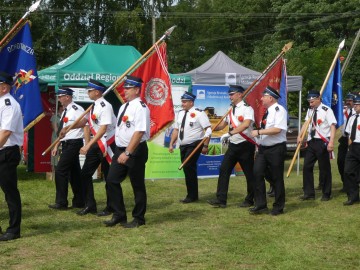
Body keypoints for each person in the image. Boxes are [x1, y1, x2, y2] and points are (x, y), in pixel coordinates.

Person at [60, 79, 116, 216]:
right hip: (96, 144)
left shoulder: (105, 106)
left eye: (90, 90)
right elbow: (86, 122)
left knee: (109, 178)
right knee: (85, 174)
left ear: (97, 92)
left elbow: (103, 129)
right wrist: (68, 127)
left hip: (107, 144)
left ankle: (111, 207)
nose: (88, 92)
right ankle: (90, 205)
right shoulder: (94, 106)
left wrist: (88, 145)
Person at [104, 75, 150, 228]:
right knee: (111, 180)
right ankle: (119, 214)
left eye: (128, 88)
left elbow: (139, 132)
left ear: (137, 90)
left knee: (137, 184)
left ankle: (138, 218)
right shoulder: (124, 106)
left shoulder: (141, 107)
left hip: (135, 150)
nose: (125, 91)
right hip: (121, 149)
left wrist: (128, 153)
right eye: (125, 88)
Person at [207, 85, 256, 208]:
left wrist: (230, 133)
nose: (230, 97)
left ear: (240, 94)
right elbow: (223, 124)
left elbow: (245, 124)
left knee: (249, 173)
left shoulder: (247, 109)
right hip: (233, 145)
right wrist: (211, 128)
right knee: (224, 170)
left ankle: (250, 199)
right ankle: (221, 199)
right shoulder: (230, 109)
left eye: (232, 94)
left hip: (245, 144)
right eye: (229, 94)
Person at [249, 86, 287, 215]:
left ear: (270, 98)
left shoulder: (279, 110)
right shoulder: (267, 111)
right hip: (263, 148)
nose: (261, 98)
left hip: (276, 148)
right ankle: (260, 204)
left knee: (277, 177)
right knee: (257, 173)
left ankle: (278, 206)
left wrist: (258, 131)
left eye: (263, 96)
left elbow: (277, 129)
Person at [168, 91, 211, 203]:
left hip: (195, 144)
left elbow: (208, 130)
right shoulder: (180, 113)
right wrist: (171, 143)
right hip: (183, 145)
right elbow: (176, 129)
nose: (183, 104)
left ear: (191, 102)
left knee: (188, 166)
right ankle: (192, 195)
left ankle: (191, 196)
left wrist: (205, 145)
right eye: (182, 101)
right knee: (188, 170)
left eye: (185, 102)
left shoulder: (199, 113)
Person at [48, 88, 85, 210]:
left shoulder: (76, 109)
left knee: (60, 170)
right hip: (66, 143)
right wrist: (56, 144)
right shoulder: (66, 111)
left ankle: (61, 202)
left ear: (68, 97)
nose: (59, 99)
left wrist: (70, 127)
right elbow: (61, 132)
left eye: (61, 96)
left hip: (74, 143)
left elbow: (85, 122)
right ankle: (79, 201)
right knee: (74, 173)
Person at [298, 90, 336, 201]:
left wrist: (331, 142)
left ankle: (326, 193)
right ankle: (309, 193)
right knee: (307, 167)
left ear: (318, 99)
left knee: (324, 168)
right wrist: (300, 135)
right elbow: (306, 123)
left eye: (312, 101)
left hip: (322, 142)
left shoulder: (326, 110)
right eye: (309, 102)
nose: (310, 104)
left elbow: (332, 126)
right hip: (311, 141)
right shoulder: (310, 111)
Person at [0, 71, 23, 241]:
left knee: (10, 192)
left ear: (4, 87)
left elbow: (6, 131)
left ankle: (14, 229)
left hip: (6, 152)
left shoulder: (9, 104)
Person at [337, 93, 356, 191]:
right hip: (344, 139)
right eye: (347, 100)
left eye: (350, 101)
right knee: (341, 161)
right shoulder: (343, 111)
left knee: (353, 163)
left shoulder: (356, 112)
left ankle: (353, 183)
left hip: (355, 140)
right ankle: (345, 183)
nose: (348, 102)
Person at [343, 95, 360, 205]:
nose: (355, 106)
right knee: (348, 171)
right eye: (355, 104)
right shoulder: (353, 117)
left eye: (357, 104)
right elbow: (349, 134)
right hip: (353, 147)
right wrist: (349, 148)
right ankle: (353, 196)